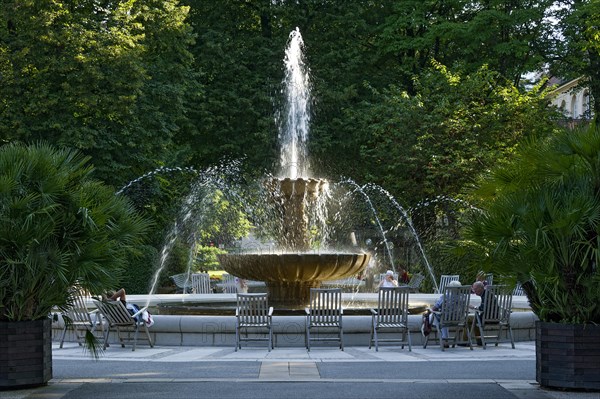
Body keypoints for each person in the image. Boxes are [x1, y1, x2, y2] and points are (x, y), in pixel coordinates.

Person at [423, 280, 463, 347]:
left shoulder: (445, 296)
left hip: (444, 318)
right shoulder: (462, 297)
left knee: (429, 317)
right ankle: (445, 340)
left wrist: (429, 310)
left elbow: (435, 308)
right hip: (458, 320)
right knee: (443, 318)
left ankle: (425, 332)